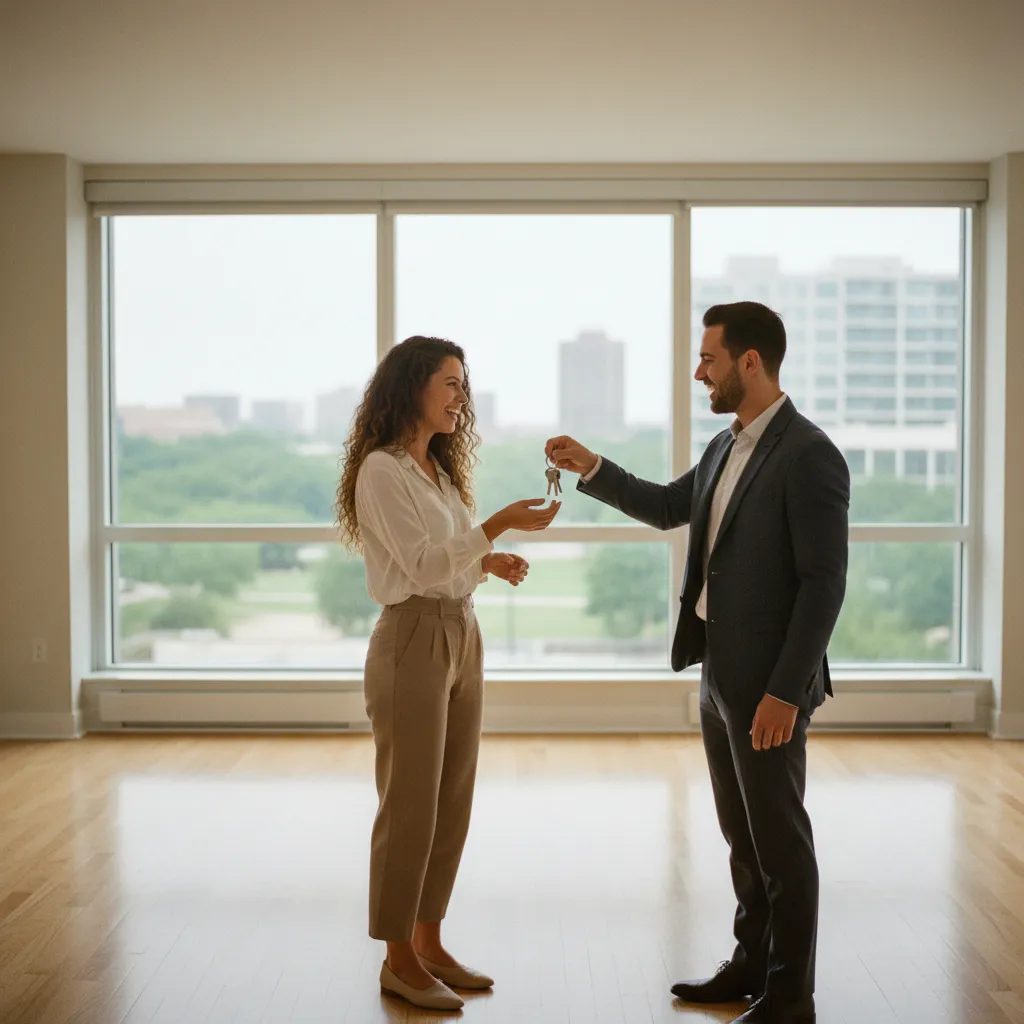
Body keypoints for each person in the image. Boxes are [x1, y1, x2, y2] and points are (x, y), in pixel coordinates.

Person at [546, 302, 849, 1024]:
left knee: (780, 839)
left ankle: (789, 996)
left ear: (751, 362)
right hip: (719, 672)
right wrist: (592, 467)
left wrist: (785, 691)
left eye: (708, 358)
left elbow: (823, 584)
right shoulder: (727, 444)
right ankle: (750, 965)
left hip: (769, 683)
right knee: (741, 836)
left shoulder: (809, 455)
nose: (698, 370)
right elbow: (667, 505)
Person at [336, 335, 561, 1011]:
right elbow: (425, 568)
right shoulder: (380, 470)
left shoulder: (433, 469)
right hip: (412, 641)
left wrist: (486, 562)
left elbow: (444, 559)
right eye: (451, 384)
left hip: (460, 632)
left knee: (450, 800)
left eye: (465, 385)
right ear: (412, 389)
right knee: (409, 805)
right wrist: (496, 528)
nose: (463, 398)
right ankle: (397, 958)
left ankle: (429, 942)